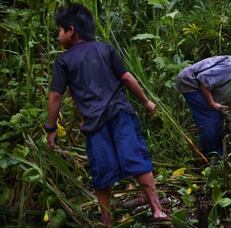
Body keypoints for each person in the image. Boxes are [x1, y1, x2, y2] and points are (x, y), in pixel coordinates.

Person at [45, 4, 168, 226]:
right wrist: (146, 102)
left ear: (71, 30)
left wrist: (51, 128)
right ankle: (157, 209)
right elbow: (127, 78)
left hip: (94, 125)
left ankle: (106, 219)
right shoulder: (105, 48)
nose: (58, 35)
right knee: (137, 158)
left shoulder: (63, 61)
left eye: (59, 30)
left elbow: (55, 96)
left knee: (101, 171)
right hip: (121, 114)